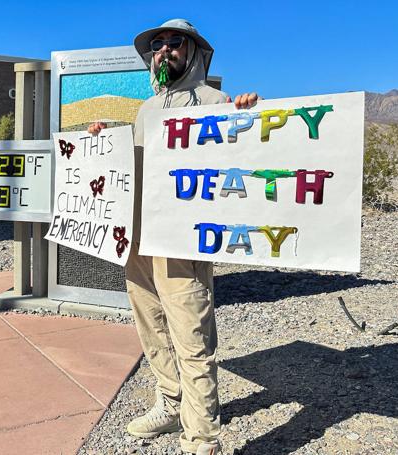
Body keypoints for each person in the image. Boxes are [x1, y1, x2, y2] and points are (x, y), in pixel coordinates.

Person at [89, 19, 259, 455]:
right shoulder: (147, 109)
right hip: (139, 239)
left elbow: (241, 162)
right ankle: (170, 401)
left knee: (191, 334)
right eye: (158, 45)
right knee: (151, 324)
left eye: (174, 43)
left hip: (182, 240)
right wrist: (102, 141)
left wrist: (249, 117)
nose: (165, 50)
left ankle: (201, 438)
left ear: (194, 51)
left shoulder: (216, 102)